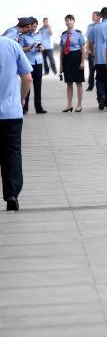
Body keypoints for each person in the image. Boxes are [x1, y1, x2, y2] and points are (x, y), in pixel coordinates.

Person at [0, 34, 33, 210]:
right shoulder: (12, 45)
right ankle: (11, 194)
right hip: (11, 113)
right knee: (11, 153)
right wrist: (20, 100)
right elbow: (28, 78)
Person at [87, 7, 107, 110]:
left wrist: (93, 54)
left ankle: (101, 96)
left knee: (99, 79)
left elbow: (90, 42)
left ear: (101, 16)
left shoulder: (95, 28)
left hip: (99, 59)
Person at [59, 15, 87, 112]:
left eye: (70, 20)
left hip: (77, 58)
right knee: (69, 83)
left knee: (78, 82)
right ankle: (69, 105)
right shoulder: (63, 35)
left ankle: (79, 105)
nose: (69, 22)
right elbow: (62, 51)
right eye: (67, 20)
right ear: (65, 22)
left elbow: (83, 49)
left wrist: (82, 62)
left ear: (74, 22)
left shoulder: (79, 34)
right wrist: (61, 65)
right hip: (67, 59)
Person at [19, 18, 46, 115]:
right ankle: (24, 108)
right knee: (27, 86)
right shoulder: (23, 37)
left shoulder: (39, 35)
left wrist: (41, 48)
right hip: (28, 63)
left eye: (35, 26)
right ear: (28, 26)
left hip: (38, 62)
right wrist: (30, 48)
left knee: (38, 86)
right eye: (31, 26)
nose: (33, 28)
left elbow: (43, 47)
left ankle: (39, 108)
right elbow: (20, 49)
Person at [85, 11, 100, 91]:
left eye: (93, 15)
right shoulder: (90, 26)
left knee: (99, 70)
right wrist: (87, 50)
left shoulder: (101, 26)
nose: (92, 17)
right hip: (91, 51)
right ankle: (90, 85)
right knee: (91, 70)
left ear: (98, 17)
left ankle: (99, 86)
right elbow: (88, 39)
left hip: (100, 52)